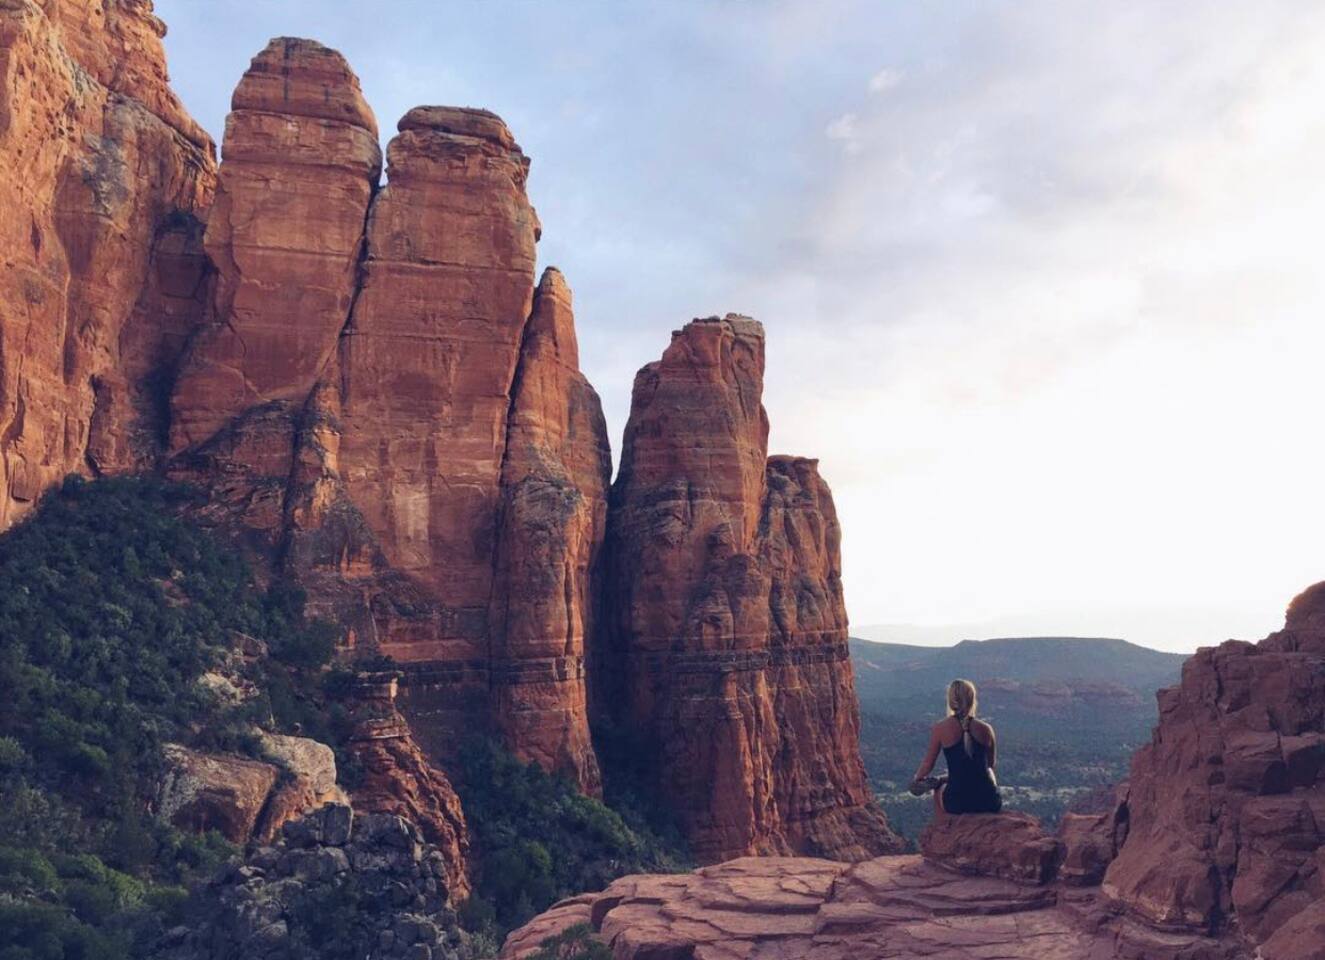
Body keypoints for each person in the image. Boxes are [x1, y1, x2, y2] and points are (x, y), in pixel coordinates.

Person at [909, 678, 1002, 816]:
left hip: (957, 802)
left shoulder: (940, 728)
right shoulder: (986, 729)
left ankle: (945, 828)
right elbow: (990, 765)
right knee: (986, 775)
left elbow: (928, 764)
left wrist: (917, 780)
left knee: (939, 789)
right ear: (972, 700)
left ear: (951, 701)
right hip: (989, 801)